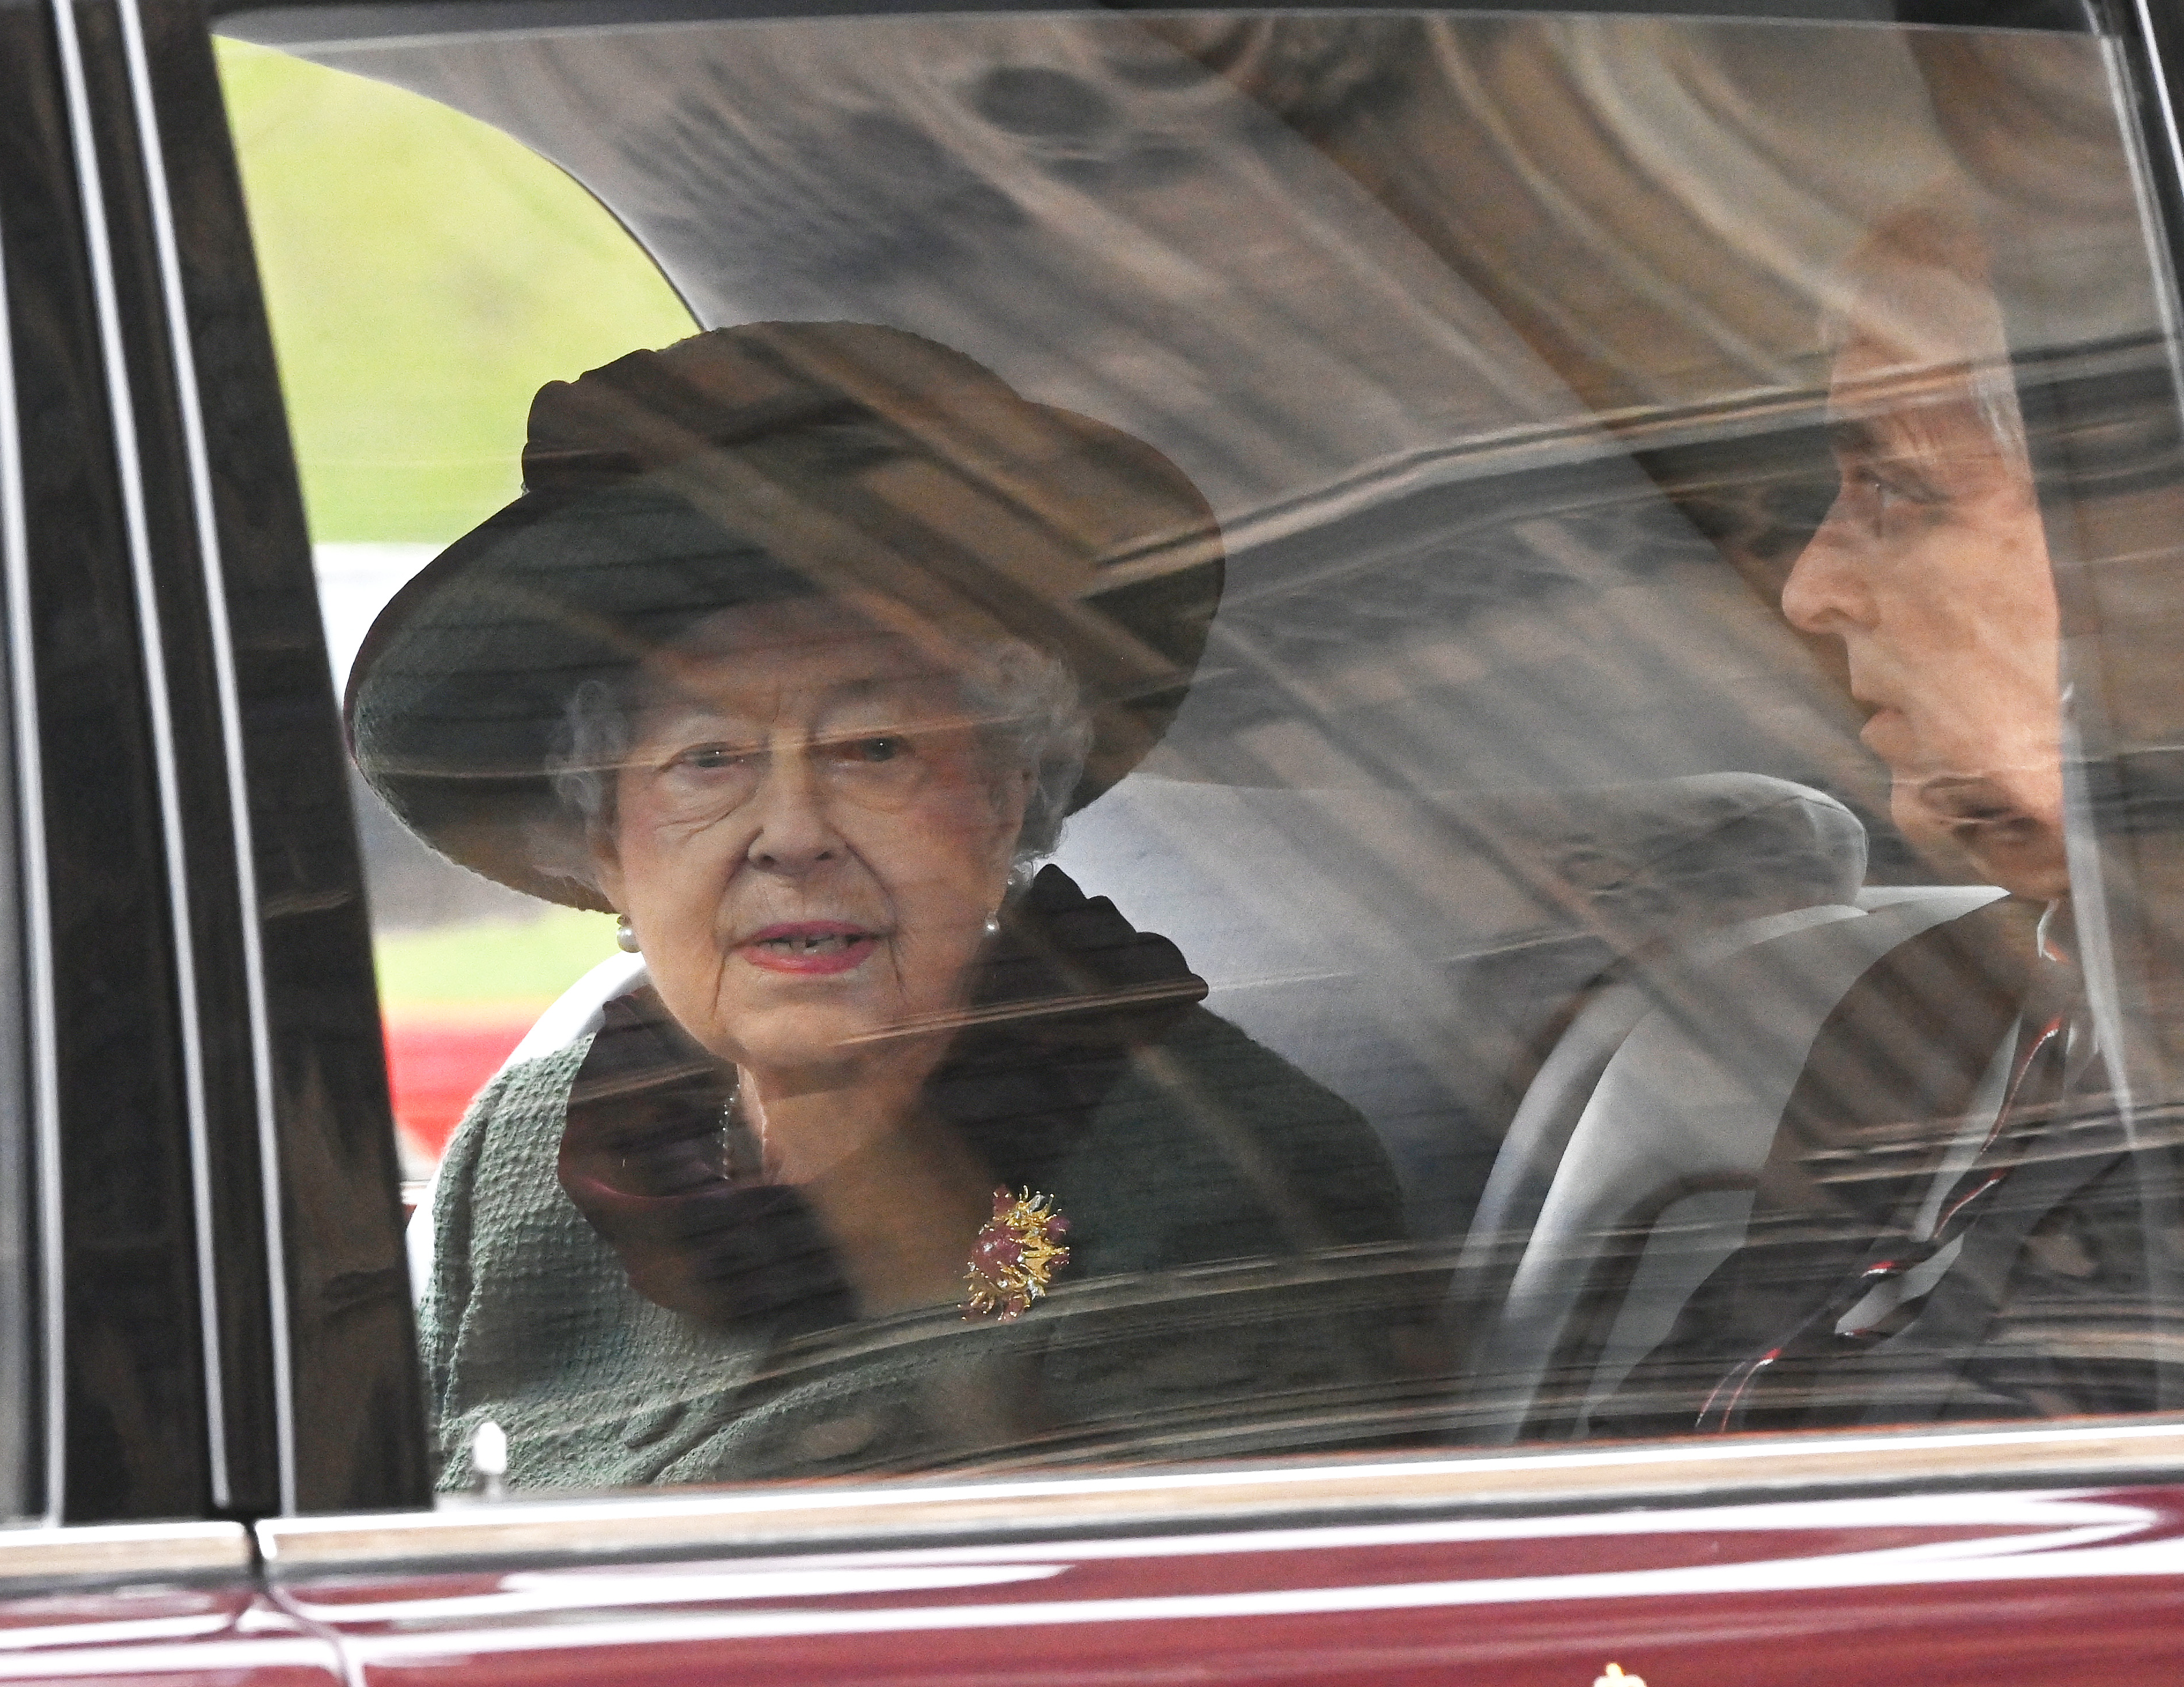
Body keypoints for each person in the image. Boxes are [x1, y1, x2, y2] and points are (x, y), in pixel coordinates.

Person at [355, 321, 1409, 1489]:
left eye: (873, 748)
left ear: (1001, 801)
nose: (793, 833)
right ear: (607, 845)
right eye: (707, 760)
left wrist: (896, 1188)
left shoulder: (1225, 1166)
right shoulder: (538, 1143)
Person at [1595, 194, 2184, 1432]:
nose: (1809, 589)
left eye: (1898, 491)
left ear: (2164, 555)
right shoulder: (1923, 1004)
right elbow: (1671, 1440)